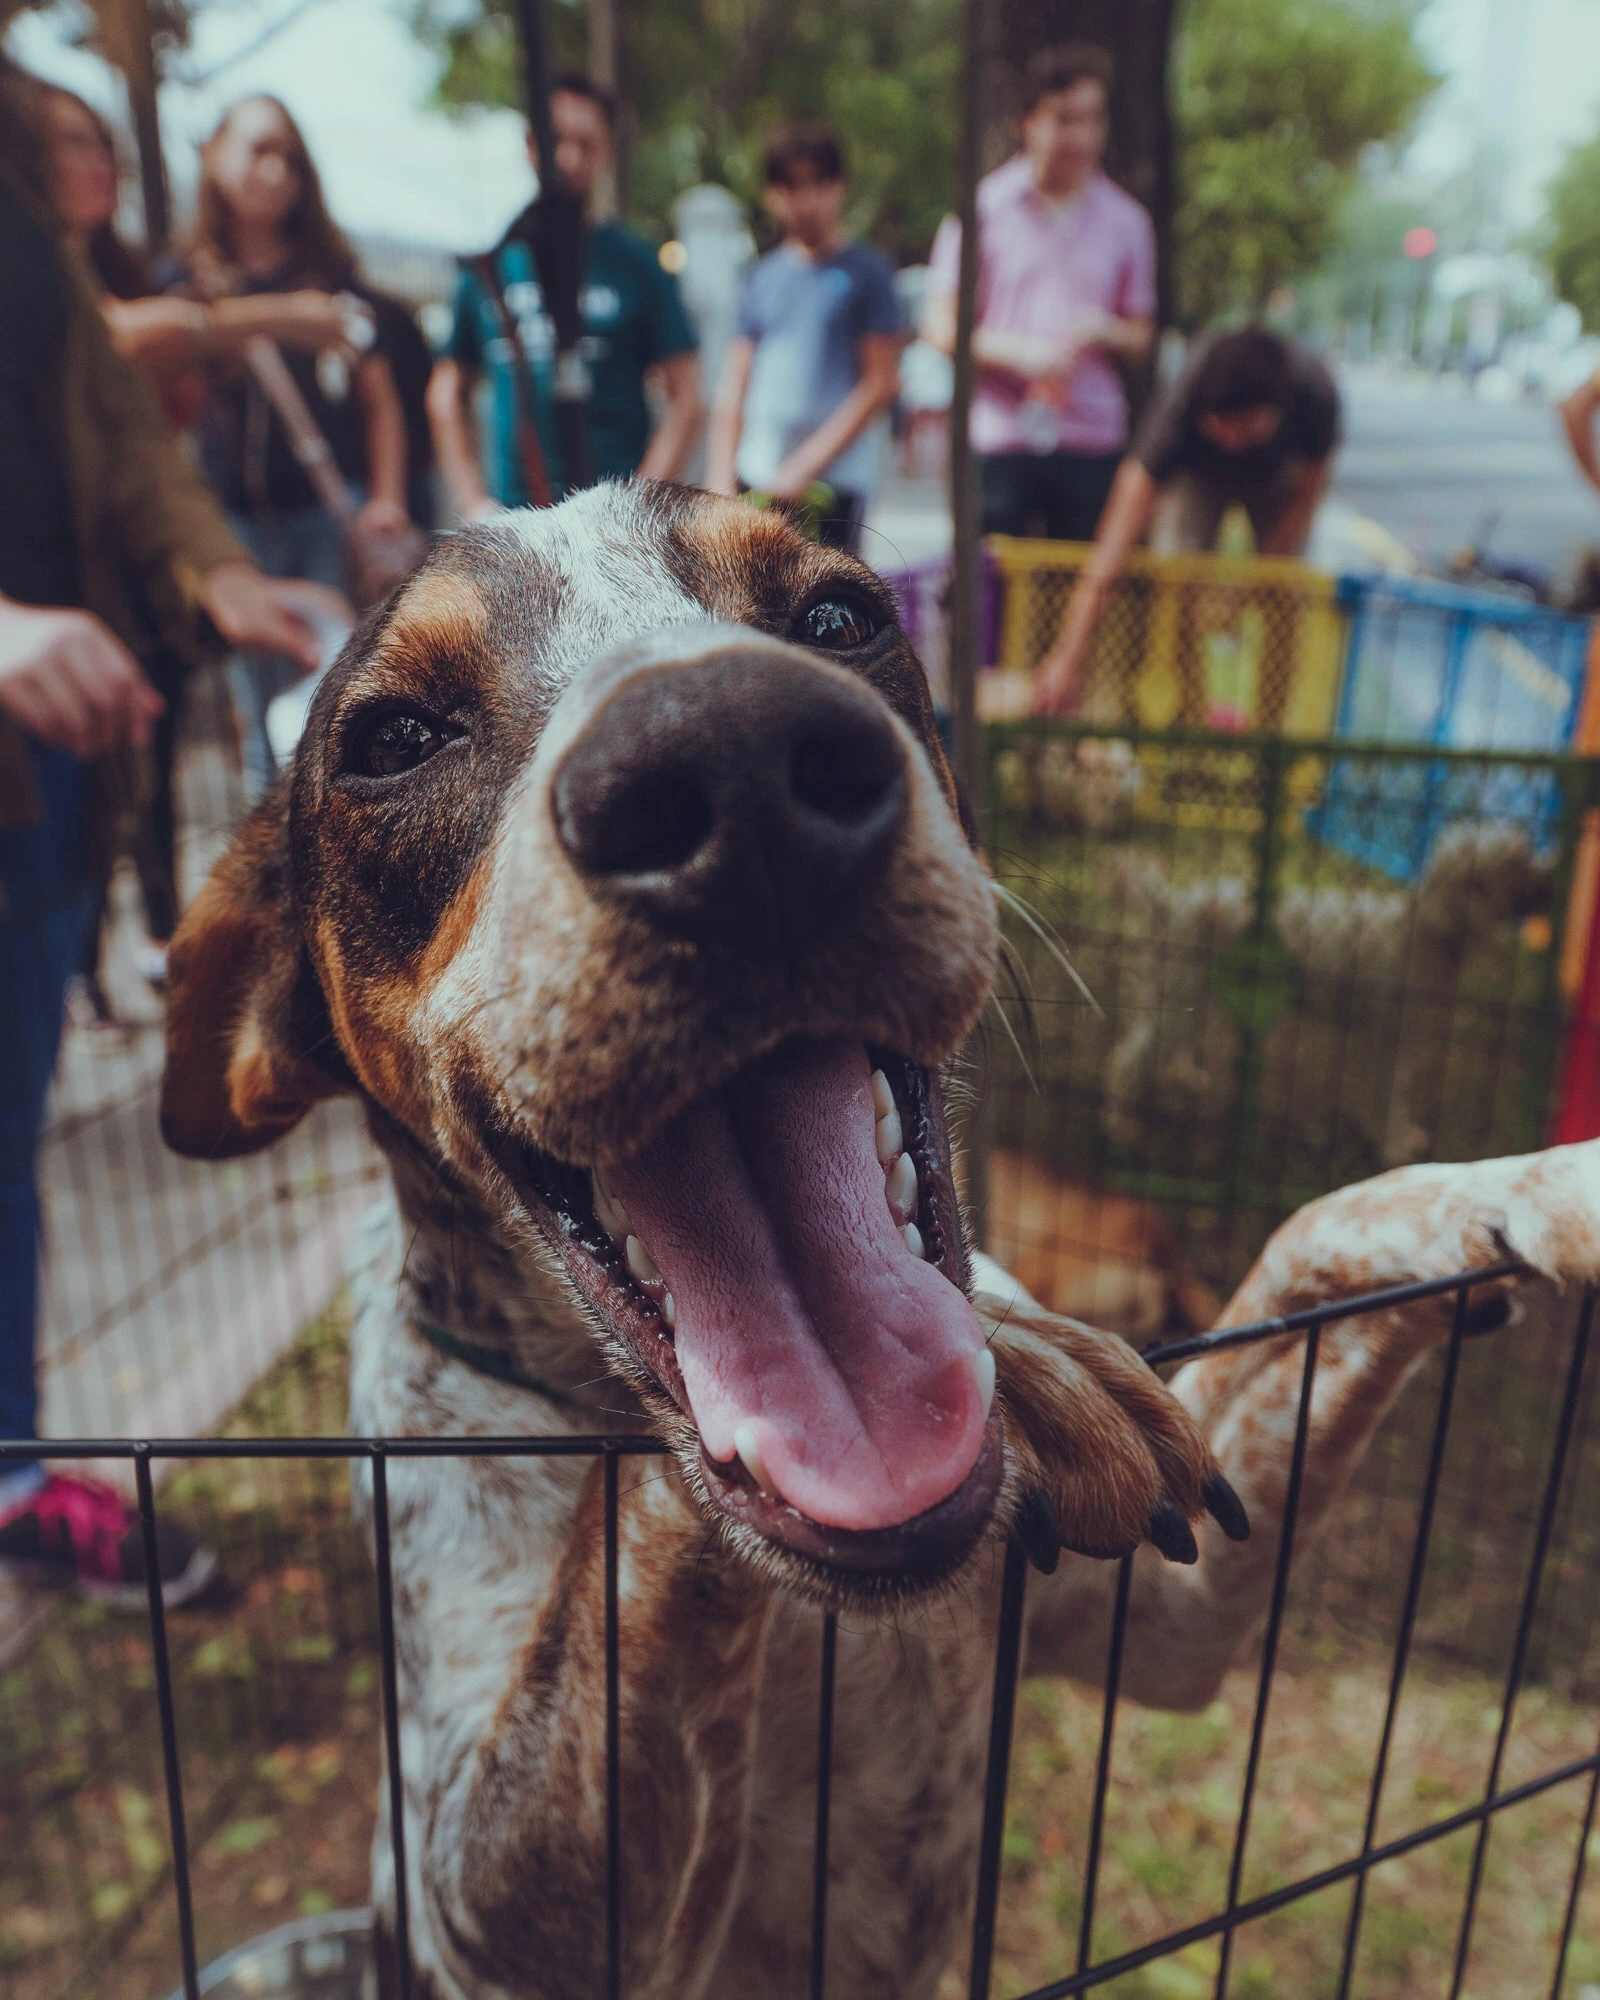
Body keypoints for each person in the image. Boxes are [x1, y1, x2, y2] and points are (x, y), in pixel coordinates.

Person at [0, 58, 348, 1606]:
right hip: (30, 674)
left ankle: (9, 1470)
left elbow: (119, 438)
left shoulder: (17, 143)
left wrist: (220, 580)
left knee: (7, 1125)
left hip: (54, 749)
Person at [167, 95, 408, 796]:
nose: (272, 171)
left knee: (336, 702)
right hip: (234, 533)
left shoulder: (326, 281)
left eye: (288, 158)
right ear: (214, 154)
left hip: (319, 524)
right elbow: (167, 414)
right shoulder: (184, 290)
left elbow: (379, 401)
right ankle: (268, 874)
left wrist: (386, 499)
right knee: (257, 709)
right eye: (256, 149)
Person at [429, 71, 703, 516]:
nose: (570, 159)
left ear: (606, 152)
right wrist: (473, 502)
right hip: (517, 521)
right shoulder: (490, 266)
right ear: (532, 145)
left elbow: (687, 397)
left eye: (586, 144)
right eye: (558, 141)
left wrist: (639, 504)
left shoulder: (636, 264)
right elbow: (447, 391)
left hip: (612, 518)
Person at [1032, 324, 1342, 714]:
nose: (1230, 443)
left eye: (1242, 430)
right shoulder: (1181, 401)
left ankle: (1270, 732)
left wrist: (1249, 592)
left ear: (1276, 413)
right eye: (1220, 429)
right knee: (1174, 581)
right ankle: (1189, 719)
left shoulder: (1315, 393)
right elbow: (1116, 534)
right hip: (1198, 479)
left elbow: (1305, 501)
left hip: (1277, 485)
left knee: (1285, 594)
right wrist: (1067, 656)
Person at [922, 44, 1156, 546]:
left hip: (1091, 436)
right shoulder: (982, 210)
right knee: (991, 593)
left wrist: (1107, 330)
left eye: (1093, 119)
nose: (1080, 136)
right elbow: (938, 327)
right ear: (1026, 122)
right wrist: (1016, 353)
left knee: (1072, 594)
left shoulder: (1127, 221)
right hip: (1000, 433)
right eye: (1064, 119)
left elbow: (1141, 334)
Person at [705, 120, 903, 555]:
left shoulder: (867, 272)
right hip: (758, 478)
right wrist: (719, 477)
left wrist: (804, 467)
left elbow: (881, 383)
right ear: (771, 194)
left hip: (832, 489)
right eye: (792, 186)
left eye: (819, 183)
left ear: (840, 187)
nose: (807, 200)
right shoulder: (761, 277)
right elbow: (735, 383)